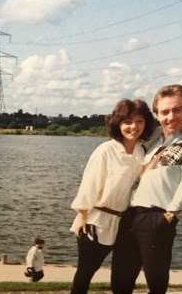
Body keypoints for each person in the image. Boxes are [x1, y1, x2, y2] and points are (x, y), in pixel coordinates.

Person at [111, 85, 182, 294]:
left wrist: (170, 214)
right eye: (164, 112)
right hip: (130, 215)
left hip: (157, 218)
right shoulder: (154, 139)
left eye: (177, 110)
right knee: (120, 280)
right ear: (156, 115)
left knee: (155, 282)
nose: (170, 117)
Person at [70, 99, 155, 294]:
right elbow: (89, 184)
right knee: (86, 272)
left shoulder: (142, 151)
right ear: (117, 124)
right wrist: (82, 215)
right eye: (127, 122)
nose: (133, 127)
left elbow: (172, 127)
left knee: (121, 275)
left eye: (139, 121)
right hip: (95, 220)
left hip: (122, 222)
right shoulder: (106, 150)